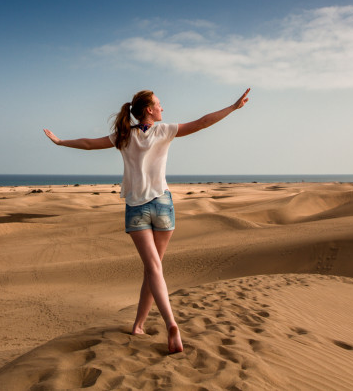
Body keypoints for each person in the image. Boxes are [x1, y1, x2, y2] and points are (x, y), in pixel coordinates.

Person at [43, 88, 250, 354]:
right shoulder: (164, 130)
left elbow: (88, 144)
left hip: (137, 208)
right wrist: (232, 108)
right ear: (149, 110)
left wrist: (61, 142)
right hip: (163, 205)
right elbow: (203, 122)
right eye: (159, 104)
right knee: (154, 269)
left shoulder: (124, 135)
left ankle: (168, 323)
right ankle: (139, 325)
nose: (163, 107)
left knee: (153, 269)